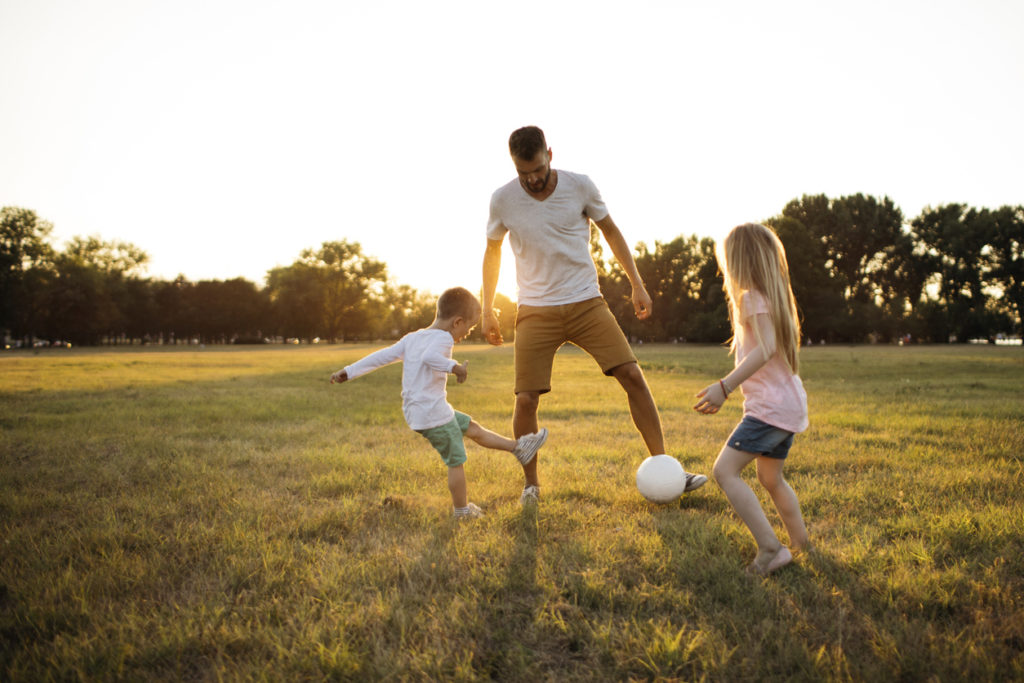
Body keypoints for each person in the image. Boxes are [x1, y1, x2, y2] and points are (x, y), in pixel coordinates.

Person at [482, 125, 707, 504]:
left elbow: (611, 232)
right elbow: (492, 252)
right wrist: (486, 307)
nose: (533, 179)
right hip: (535, 309)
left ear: (550, 154)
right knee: (525, 400)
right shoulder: (502, 199)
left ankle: (666, 467)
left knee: (632, 375)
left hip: (587, 301)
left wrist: (637, 282)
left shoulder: (580, 186)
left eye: (537, 169)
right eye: (524, 174)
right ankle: (531, 485)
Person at [331, 287, 548, 519]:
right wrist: (454, 367)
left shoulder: (412, 338)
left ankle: (519, 448)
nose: (467, 333)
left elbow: (382, 356)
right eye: (469, 327)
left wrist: (349, 371)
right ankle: (462, 511)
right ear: (457, 322)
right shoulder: (444, 338)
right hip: (432, 413)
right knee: (456, 460)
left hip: (422, 411)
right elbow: (430, 358)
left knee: (471, 427)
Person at [693, 223, 810, 575]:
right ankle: (802, 545)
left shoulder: (751, 299)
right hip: (787, 406)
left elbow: (765, 350)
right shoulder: (772, 298)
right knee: (771, 479)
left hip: (770, 410)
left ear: (738, 263)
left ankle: (771, 549)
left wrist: (724, 387)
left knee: (724, 471)